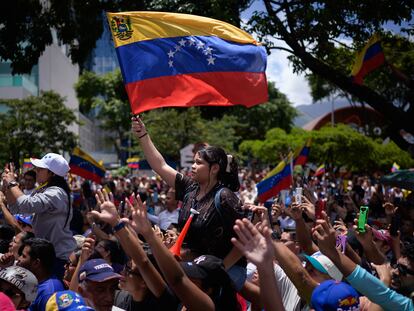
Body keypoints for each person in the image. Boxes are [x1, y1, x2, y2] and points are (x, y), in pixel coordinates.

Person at [132, 116, 245, 277]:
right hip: (194, 268)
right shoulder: (190, 188)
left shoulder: (225, 197)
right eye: (193, 161)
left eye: (198, 163)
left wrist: (220, 270)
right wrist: (143, 135)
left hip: (225, 273)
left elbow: (244, 240)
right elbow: (160, 165)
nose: (192, 166)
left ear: (214, 169)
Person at [2, 153, 77, 278]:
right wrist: (7, 186)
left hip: (57, 256)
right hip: (45, 254)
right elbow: (17, 209)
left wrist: (12, 183)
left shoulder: (56, 193)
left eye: (41, 169)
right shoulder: (44, 189)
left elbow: (26, 205)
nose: (36, 171)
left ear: (52, 174)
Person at [17, 238, 65, 311]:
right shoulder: (32, 281)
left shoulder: (49, 293)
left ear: (36, 263)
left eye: (23, 256)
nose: (19, 259)